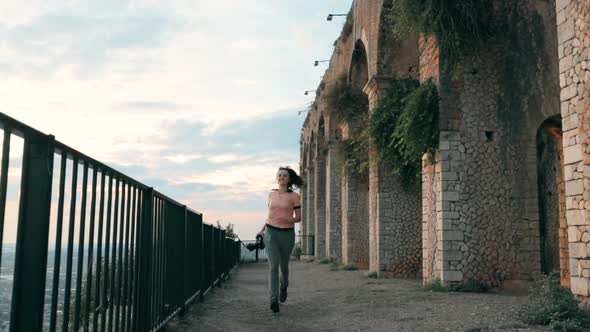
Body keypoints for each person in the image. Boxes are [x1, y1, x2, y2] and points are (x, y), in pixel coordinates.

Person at [257, 166, 303, 313]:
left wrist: (287, 218)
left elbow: (299, 217)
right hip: (270, 233)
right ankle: (273, 300)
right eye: (280, 175)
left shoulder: (294, 196)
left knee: (284, 267)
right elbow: (270, 216)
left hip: (287, 235)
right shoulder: (271, 194)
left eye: (285, 175)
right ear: (277, 177)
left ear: (289, 179)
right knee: (273, 267)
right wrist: (262, 229)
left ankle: (284, 287)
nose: (282, 177)